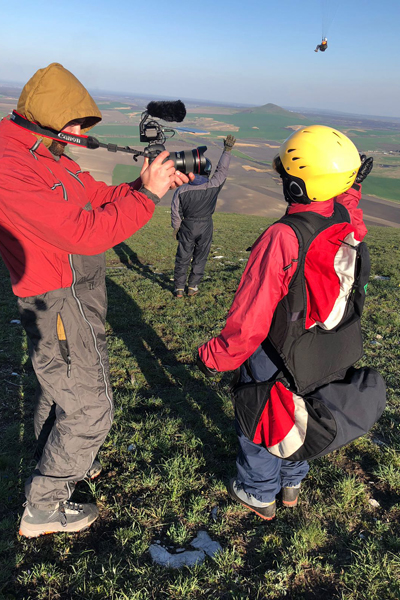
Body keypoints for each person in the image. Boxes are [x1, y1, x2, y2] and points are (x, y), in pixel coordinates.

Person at [0, 63, 193, 537]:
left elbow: (94, 196)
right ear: (48, 114)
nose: (80, 134)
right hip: (57, 298)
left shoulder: (43, 152)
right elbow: (84, 233)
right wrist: (145, 197)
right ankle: (43, 508)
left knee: (62, 391)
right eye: (76, 124)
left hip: (76, 295)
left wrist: (144, 185)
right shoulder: (12, 166)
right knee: (91, 410)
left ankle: (66, 463)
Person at [197, 125, 373, 520]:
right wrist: (350, 188)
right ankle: (292, 483)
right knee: (302, 408)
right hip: (326, 348)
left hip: (279, 349)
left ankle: (259, 493)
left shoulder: (283, 236)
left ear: (296, 188)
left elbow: (250, 317)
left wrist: (215, 356)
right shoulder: (344, 217)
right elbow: (349, 213)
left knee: (261, 416)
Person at [171, 135, 236, 297]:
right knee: (201, 257)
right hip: (206, 226)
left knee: (183, 256)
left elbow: (175, 210)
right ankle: (193, 286)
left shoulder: (182, 190)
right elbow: (222, 170)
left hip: (187, 226)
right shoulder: (213, 185)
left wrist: (177, 228)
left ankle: (179, 288)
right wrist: (227, 151)